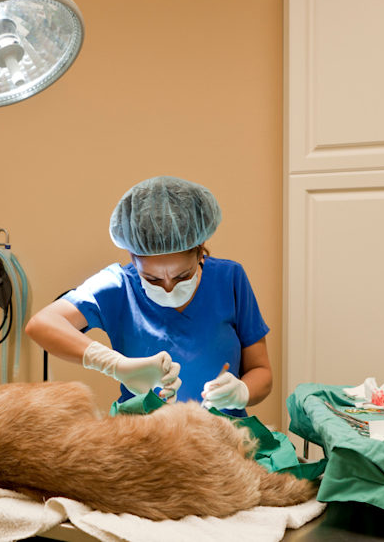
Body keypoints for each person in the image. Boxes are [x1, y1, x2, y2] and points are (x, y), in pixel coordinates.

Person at [25, 176, 272, 416]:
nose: (168, 288)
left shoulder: (229, 279)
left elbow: (261, 371)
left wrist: (242, 391)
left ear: (200, 250)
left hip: (223, 439)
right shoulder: (118, 286)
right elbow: (41, 324)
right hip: (144, 442)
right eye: (152, 279)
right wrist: (116, 365)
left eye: (182, 276)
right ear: (132, 257)